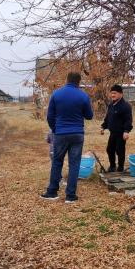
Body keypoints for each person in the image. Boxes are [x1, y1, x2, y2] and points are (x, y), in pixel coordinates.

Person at [40, 72, 94, 203]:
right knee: (74, 164)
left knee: (57, 162)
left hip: (60, 133)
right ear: (79, 81)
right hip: (77, 134)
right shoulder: (83, 95)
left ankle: (52, 192)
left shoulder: (56, 94)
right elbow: (89, 116)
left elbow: (49, 116)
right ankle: (70, 196)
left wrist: (55, 129)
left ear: (67, 79)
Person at [101, 84, 133, 172]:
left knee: (120, 151)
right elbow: (108, 118)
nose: (112, 95)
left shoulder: (126, 106)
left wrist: (126, 131)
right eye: (111, 93)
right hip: (113, 133)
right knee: (109, 149)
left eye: (115, 93)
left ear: (121, 94)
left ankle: (120, 168)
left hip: (121, 133)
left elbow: (128, 120)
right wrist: (103, 126)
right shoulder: (111, 105)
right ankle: (112, 166)